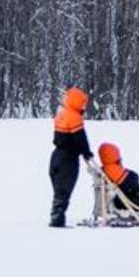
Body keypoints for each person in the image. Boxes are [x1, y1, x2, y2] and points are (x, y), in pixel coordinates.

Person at [48, 87, 93, 227]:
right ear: (76, 102)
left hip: (56, 156)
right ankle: (57, 219)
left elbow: (60, 138)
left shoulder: (61, 114)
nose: (84, 106)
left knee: (58, 190)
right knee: (64, 190)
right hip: (68, 159)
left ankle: (56, 215)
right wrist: (87, 153)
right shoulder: (75, 117)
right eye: (83, 103)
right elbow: (80, 139)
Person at [97, 143, 139, 217]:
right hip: (125, 201)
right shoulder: (114, 170)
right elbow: (130, 180)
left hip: (123, 198)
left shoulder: (105, 169)